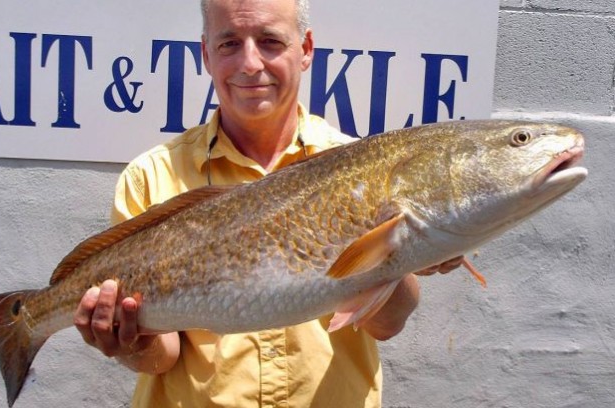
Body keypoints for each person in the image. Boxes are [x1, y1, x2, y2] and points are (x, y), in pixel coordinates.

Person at [74, 0, 460, 406]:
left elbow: (387, 323)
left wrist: (409, 251)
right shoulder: (150, 178)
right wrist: (129, 342)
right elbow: (163, 355)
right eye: (229, 44)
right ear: (206, 54)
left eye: (270, 41)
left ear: (306, 49)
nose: (250, 64)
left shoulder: (363, 169)